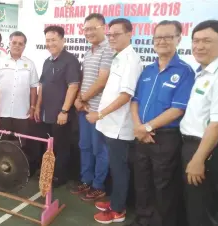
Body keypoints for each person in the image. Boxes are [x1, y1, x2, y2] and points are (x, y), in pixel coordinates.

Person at [129, 20, 195, 226]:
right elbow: (135, 101)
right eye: (158, 37)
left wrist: (147, 127)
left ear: (178, 39)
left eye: (168, 36)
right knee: (142, 182)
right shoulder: (148, 70)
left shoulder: (185, 71)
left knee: (163, 185)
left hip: (165, 138)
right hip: (141, 135)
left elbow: (178, 108)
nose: (162, 41)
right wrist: (139, 127)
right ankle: (143, 219)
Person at [85, 18, 143, 224]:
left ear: (130, 34)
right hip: (109, 125)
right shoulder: (119, 57)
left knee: (120, 169)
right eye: (110, 34)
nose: (112, 38)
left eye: (116, 34)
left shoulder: (131, 60)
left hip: (120, 127)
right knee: (115, 168)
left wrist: (99, 114)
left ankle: (118, 210)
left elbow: (126, 96)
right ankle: (116, 201)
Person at [180, 20, 218, 226]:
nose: (199, 46)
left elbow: (217, 124)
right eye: (195, 41)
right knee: (194, 204)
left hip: (206, 150)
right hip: (192, 146)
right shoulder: (203, 72)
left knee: (202, 209)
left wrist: (198, 160)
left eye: (207, 41)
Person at [70, 13, 113, 201]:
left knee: (99, 150)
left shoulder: (109, 50)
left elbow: (103, 80)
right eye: (85, 29)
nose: (88, 32)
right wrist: (79, 100)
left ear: (104, 28)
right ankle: (86, 180)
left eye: (92, 28)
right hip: (84, 110)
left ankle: (98, 185)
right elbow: (85, 79)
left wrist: (82, 99)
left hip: (98, 112)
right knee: (84, 147)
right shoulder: (88, 52)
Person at [34, 25, 80, 187]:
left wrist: (64, 110)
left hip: (60, 114)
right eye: (47, 40)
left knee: (61, 147)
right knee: (48, 146)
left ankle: (59, 177)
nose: (50, 43)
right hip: (46, 113)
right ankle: (48, 172)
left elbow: (73, 86)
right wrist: (37, 107)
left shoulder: (70, 61)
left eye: (53, 40)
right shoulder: (47, 61)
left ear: (63, 40)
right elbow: (42, 86)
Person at [0, 31, 38, 142]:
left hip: (22, 113)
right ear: (9, 43)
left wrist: (33, 106)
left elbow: (34, 87)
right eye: (14, 42)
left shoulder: (30, 64)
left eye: (20, 43)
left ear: (24, 46)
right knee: (1, 145)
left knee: (20, 147)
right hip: (2, 111)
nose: (17, 45)